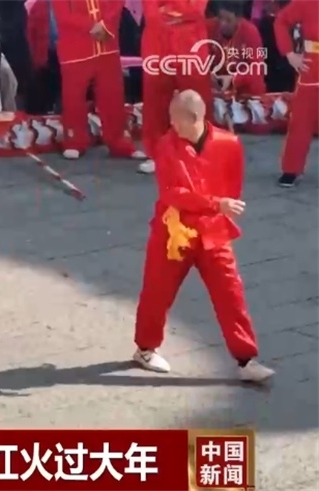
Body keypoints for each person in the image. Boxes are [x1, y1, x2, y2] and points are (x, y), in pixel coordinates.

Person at [132, 90, 273, 383]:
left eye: (176, 119)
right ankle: (145, 348)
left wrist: (220, 208)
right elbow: (172, 193)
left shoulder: (228, 144)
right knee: (157, 292)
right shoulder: (167, 145)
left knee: (230, 293)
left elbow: (233, 185)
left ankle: (245, 359)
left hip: (213, 231)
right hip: (174, 232)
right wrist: (215, 204)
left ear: (195, 117)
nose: (172, 125)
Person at [52, 0, 144, 161]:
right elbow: (63, 14)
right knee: (74, 97)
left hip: (107, 45)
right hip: (76, 48)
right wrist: (91, 26)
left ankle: (119, 142)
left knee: (113, 96)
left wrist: (106, 25)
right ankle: (74, 141)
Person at [138, 0, 213, 175]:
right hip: (158, 40)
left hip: (190, 41)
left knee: (196, 98)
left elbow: (196, 9)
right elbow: (150, 11)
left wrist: (170, 11)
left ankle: (200, 151)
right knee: (155, 100)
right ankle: (157, 154)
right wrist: (176, 14)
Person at [273, 0, 317, 188]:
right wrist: (290, 54)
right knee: (301, 120)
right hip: (312, 67)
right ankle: (291, 169)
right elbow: (281, 21)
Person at [206, 1, 267, 97]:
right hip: (218, 91)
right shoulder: (209, 27)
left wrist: (233, 78)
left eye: (228, 20)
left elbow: (258, 69)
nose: (223, 23)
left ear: (238, 19)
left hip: (247, 93)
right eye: (220, 18)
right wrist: (208, 75)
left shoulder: (251, 32)